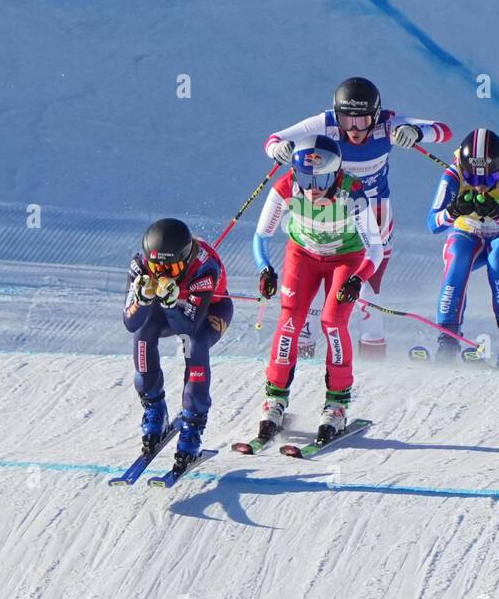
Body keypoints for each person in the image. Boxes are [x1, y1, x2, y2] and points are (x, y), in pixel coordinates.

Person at [263, 77, 450, 357]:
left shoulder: (387, 124)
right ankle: (303, 353)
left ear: (374, 116)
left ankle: (372, 354)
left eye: (361, 121)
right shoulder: (325, 124)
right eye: (345, 120)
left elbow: (443, 130)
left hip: (373, 209)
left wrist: (415, 132)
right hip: (332, 209)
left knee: (367, 284)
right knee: (314, 278)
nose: (353, 129)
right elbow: (274, 139)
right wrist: (278, 149)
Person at [253, 135, 385, 445]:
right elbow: (261, 236)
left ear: (336, 174)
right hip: (303, 255)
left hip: (346, 258)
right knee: (289, 322)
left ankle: (337, 405)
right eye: (306, 178)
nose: (313, 188)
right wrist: (265, 268)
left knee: (333, 323)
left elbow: (375, 248)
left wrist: (358, 278)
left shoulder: (352, 192)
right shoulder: (286, 187)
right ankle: (275, 400)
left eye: (323, 179)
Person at [123, 218, 233, 471]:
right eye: (156, 268)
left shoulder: (205, 268)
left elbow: (188, 328)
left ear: (185, 261)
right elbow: (130, 322)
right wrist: (141, 300)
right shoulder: (140, 266)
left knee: (194, 345)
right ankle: (154, 408)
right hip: (170, 307)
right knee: (142, 334)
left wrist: (171, 304)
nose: (161, 275)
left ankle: (193, 427)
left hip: (207, 311)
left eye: (170, 271)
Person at [426, 128, 499, 370]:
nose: (481, 186)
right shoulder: (453, 173)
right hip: (468, 233)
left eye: (490, 179)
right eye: (473, 179)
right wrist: (453, 211)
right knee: (457, 259)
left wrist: (498, 213)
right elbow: (433, 224)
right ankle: (447, 342)